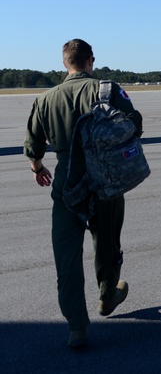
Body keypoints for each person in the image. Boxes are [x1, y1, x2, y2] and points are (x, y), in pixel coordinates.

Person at [23, 39, 142, 349]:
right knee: (107, 238)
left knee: (67, 254)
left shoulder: (46, 98)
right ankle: (107, 295)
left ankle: (77, 327)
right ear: (91, 60)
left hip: (66, 178)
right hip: (105, 175)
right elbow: (135, 124)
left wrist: (38, 169)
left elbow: (33, 147)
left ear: (65, 64)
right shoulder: (107, 89)